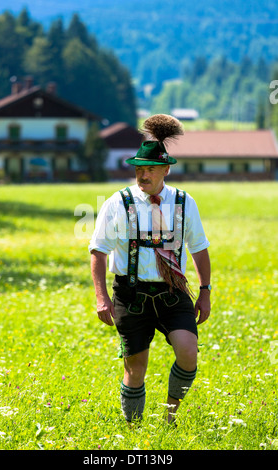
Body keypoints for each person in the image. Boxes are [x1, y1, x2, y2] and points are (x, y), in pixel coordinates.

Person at [89, 114, 211, 425]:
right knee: (135, 366)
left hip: (173, 291)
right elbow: (98, 251)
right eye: (139, 169)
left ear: (166, 170)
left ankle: (170, 414)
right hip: (131, 293)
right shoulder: (118, 203)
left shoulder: (184, 202)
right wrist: (101, 298)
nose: (143, 174)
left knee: (188, 351)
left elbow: (198, 247)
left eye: (150, 169)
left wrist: (205, 291)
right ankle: (134, 429)